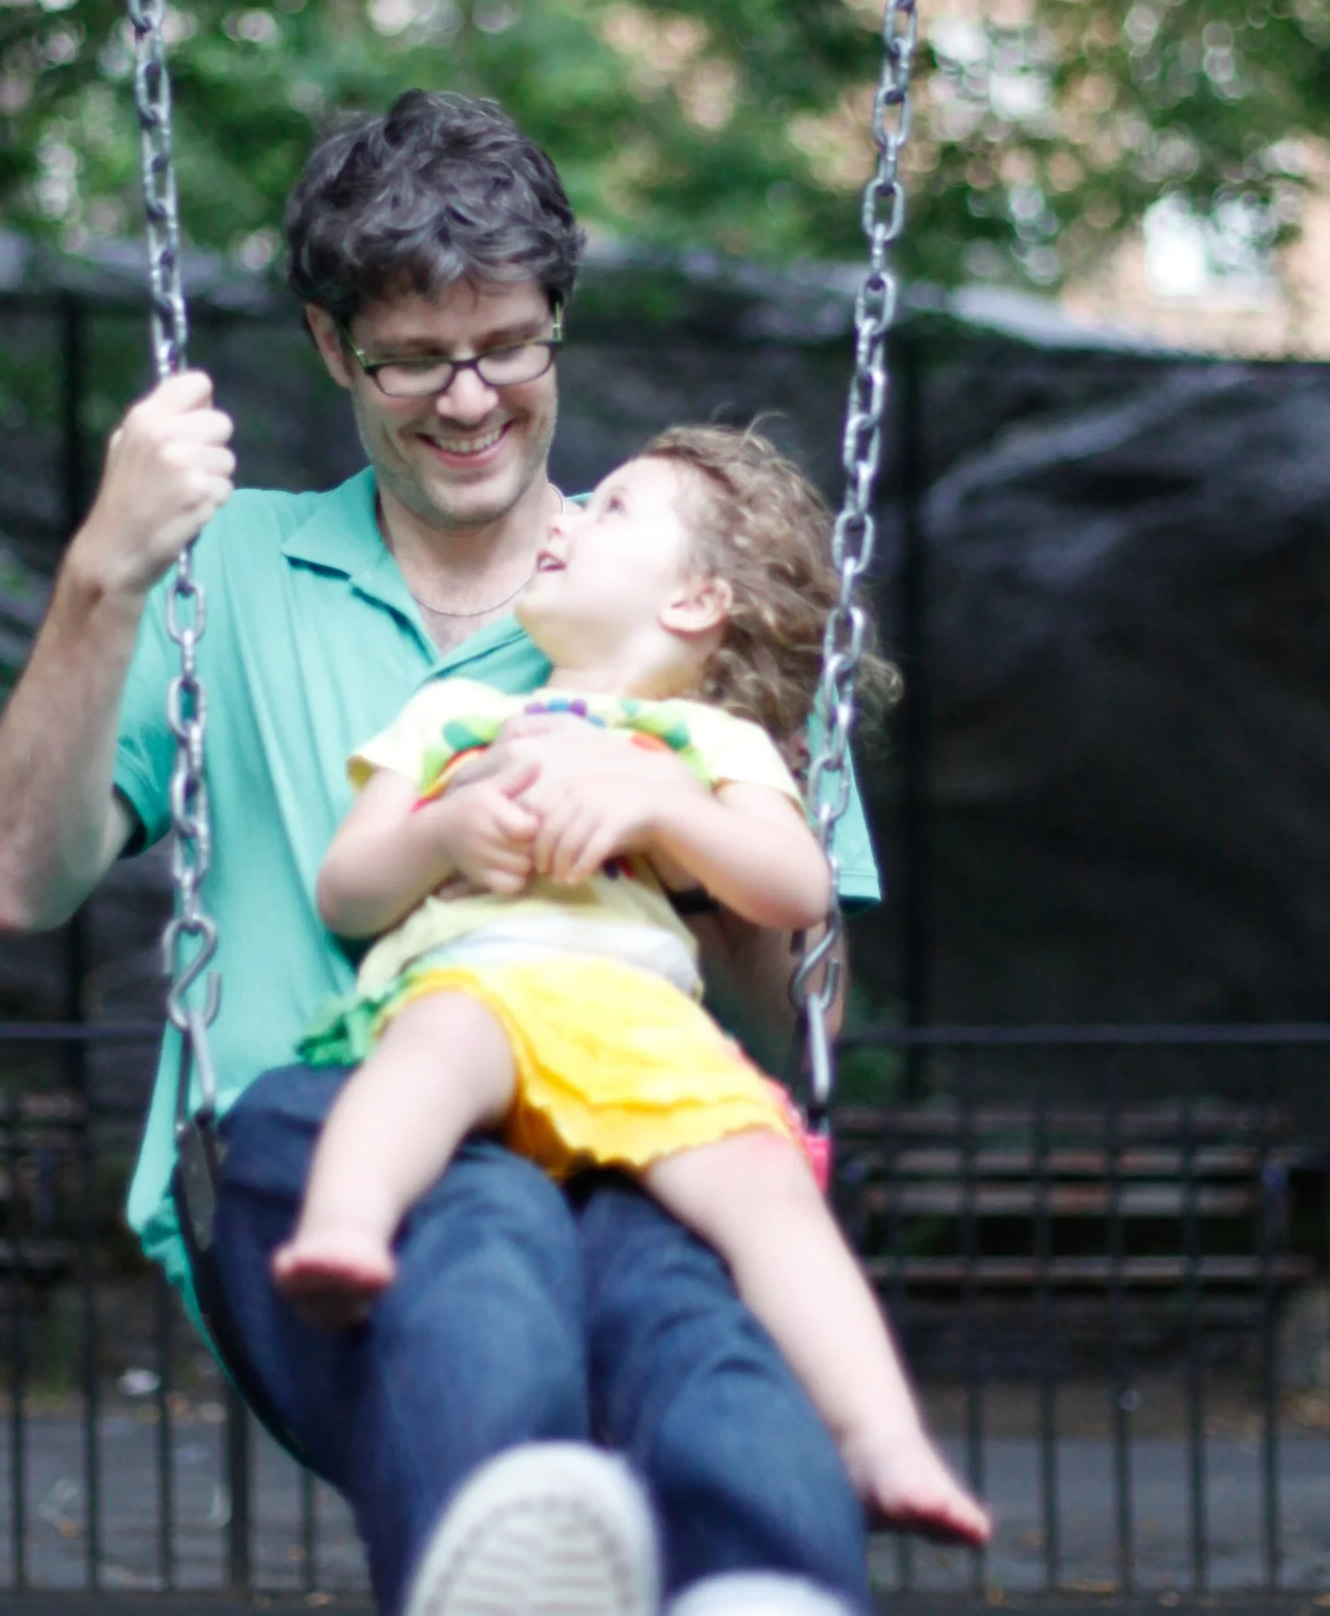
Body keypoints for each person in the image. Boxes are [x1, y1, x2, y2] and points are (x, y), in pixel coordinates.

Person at [0, 90, 972, 1616]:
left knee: (695, 1332)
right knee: (483, 1233)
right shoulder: (233, 571)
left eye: (505, 346)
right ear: (335, 352)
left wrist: (673, 812)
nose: (466, 397)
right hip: (332, 1134)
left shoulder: (665, 597)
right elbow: (23, 877)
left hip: (629, 1136)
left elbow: (784, 997)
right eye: (413, 356)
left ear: (554, 334)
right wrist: (103, 573)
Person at [273, 425, 991, 1552]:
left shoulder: (708, 744)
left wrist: (664, 810)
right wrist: (445, 830)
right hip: (478, 974)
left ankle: (882, 1441)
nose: (563, 516)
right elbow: (347, 891)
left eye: (609, 510)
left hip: (639, 1014)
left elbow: (794, 885)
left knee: (767, 1188)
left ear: (698, 600)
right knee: (422, 1058)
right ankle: (347, 1232)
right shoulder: (452, 722)